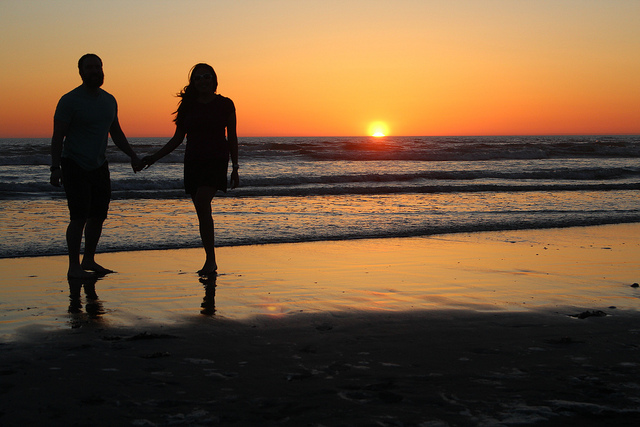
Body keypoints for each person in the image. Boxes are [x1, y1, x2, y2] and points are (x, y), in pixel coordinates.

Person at [141, 63, 239, 276]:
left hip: (216, 160)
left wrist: (235, 167)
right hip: (194, 161)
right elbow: (177, 138)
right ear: (193, 83)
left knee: (203, 202)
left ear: (214, 79)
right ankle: (210, 259)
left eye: (206, 76)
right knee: (202, 212)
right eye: (197, 78)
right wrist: (154, 158)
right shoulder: (188, 106)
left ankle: (210, 261)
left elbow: (232, 137)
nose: (203, 81)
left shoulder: (225, 104)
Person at [50, 53, 142, 279]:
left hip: (99, 165)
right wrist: (54, 167)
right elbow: (57, 136)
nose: (95, 71)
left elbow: (116, 132)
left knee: (98, 216)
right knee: (78, 217)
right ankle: (74, 266)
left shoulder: (109, 100)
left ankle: (89, 258)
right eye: (89, 67)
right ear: (80, 72)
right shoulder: (69, 100)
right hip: (74, 164)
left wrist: (132, 155)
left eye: (98, 67)